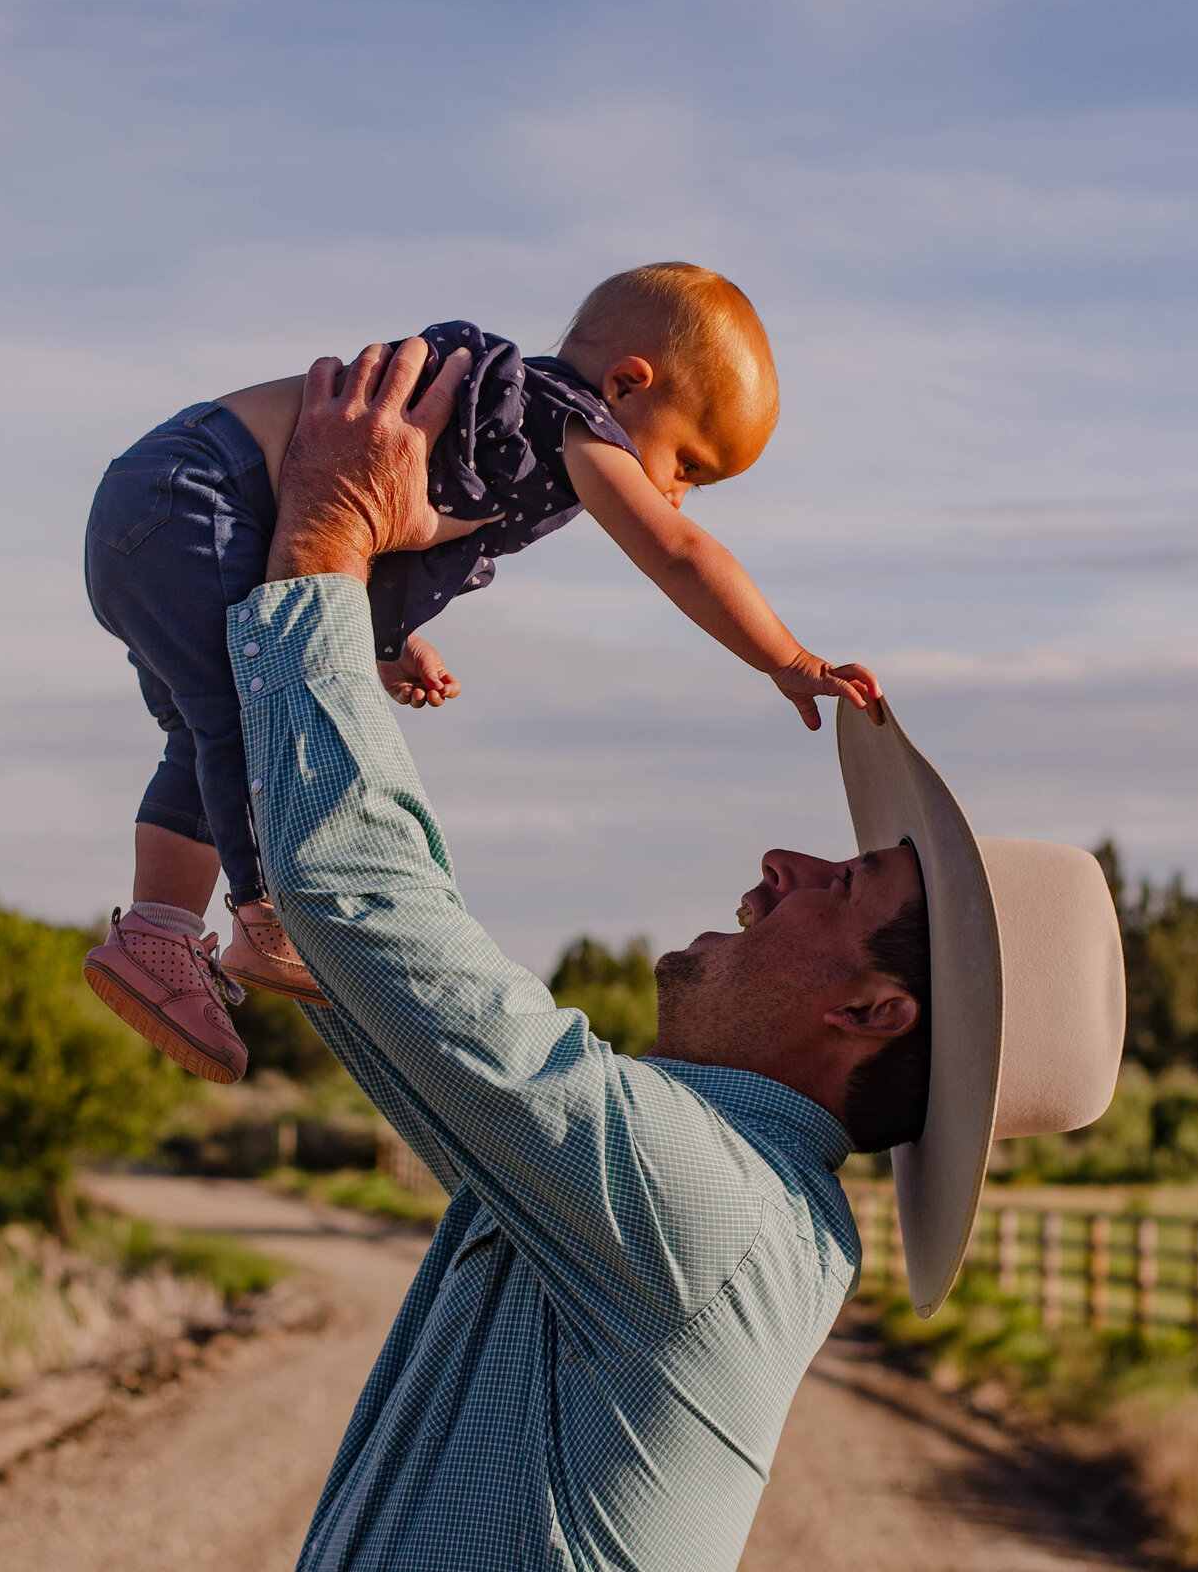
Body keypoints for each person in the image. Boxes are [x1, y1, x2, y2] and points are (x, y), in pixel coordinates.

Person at [238, 336, 1127, 1571]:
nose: (780, 866)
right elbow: (390, 976)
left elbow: (362, 892)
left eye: (843, 881)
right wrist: (331, 964)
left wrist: (329, 534)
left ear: (878, 1009)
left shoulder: (710, 1209)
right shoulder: (718, 1203)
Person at [80, 264, 882, 1083]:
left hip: (157, 511)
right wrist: (786, 658)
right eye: (689, 465)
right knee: (247, 718)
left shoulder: (514, 431)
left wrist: (392, 641)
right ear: (630, 384)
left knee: (204, 734)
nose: (678, 499)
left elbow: (384, 527)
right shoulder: (574, 419)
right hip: (199, 497)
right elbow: (678, 557)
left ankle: (158, 933)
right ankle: (265, 914)